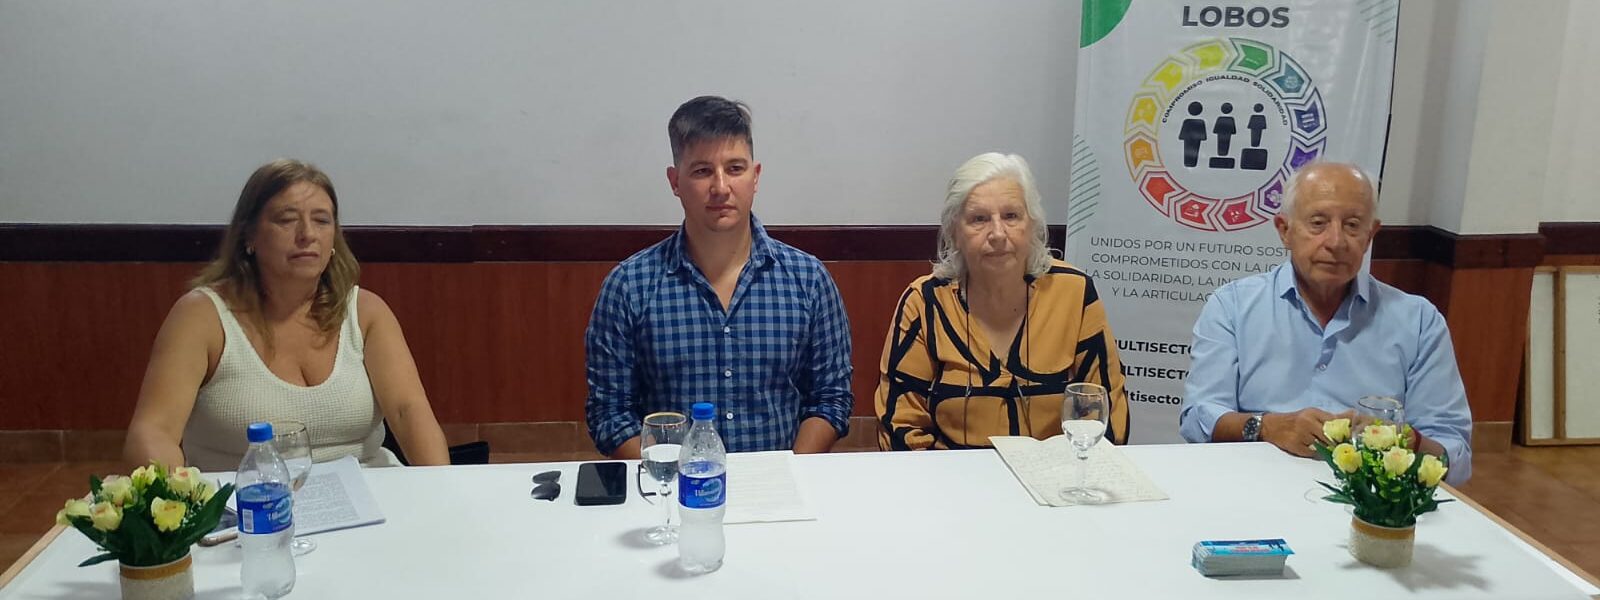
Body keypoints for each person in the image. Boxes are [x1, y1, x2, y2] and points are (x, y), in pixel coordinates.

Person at [124, 159, 450, 471]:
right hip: (246, 499)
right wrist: (179, 498)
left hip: (370, 488)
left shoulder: (367, 311)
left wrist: (443, 487)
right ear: (249, 235)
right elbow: (153, 431)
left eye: (321, 220)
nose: (307, 234)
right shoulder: (201, 316)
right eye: (286, 219)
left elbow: (408, 411)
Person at [584, 96, 853, 459]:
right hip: (673, 486)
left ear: (755, 177)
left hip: (780, 484)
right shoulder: (629, 287)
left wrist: (789, 474)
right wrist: (672, 478)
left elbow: (830, 399)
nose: (721, 187)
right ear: (675, 181)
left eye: (735, 168)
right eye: (702, 171)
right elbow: (610, 414)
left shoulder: (809, 280)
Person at [1179, 162, 1472, 484]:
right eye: (1318, 223)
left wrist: (1403, 439)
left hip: (1371, 495)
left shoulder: (1418, 321)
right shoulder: (1232, 306)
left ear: (1370, 235)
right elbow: (1199, 417)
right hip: (1253, 484)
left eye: (1352, 225)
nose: (1336, 242)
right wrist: (1266, 427)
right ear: (1284, 230)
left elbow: (1454, 455)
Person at [876, 152, 1129, 450]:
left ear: (1032, 225)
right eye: (979, 219)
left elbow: (1106, 412)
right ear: (954, 232)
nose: (997, 233)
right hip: (951, 474)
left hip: (1055, 473)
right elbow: (900, 424)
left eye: (1011, 216)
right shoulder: (924, 302)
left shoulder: (1074, 292)